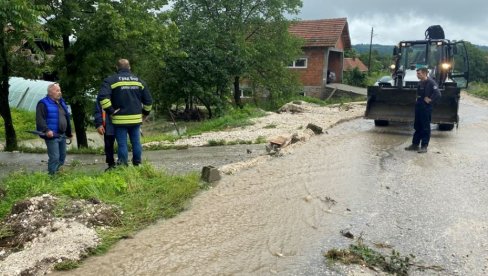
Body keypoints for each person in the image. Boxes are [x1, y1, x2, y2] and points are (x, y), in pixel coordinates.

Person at [98, 59, 152, 166]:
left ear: (117, 68)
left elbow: (103, 98)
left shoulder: (111, 80)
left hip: (120, 119)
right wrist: (145, 114)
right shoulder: (139, 81)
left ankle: (123, 165)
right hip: (136, 119)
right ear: (129, 67)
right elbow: (148, 101)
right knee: (136, 142)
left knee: (122, 144)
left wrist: (111, 111)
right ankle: (137, 164)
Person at [36, 83, 73, 175]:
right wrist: (47, 130)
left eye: (60, 90)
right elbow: (40, 120)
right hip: (52, 135)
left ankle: (58, 173)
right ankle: (52, 176)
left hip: (62, 135)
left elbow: (66, 118)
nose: (59, 92)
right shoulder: (43, 103)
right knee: (55, 158)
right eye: (57, 91)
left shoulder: (61, 103)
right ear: (50, 92)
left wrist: (69, 133)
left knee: (62, 157)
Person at [405, 67, 441, 153]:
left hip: (426, 108)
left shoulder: (431, 82)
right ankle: (415, 144)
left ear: (425, 73)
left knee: (425, 127)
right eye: (417, 73)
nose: (417, 75)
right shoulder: (420, 82)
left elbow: (438, 93)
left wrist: (430, 100)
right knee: (417, 126)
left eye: (419, 73)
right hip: (419, 107)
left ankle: (424, 146)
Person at [94, 101, 116, 171]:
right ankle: (111, 164)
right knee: (109, 146)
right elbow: (98, 110)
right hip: (108, 124)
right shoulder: (103, 94)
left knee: (122, 144)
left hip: (119, 124)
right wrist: (99, 124)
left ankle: (123, 164)